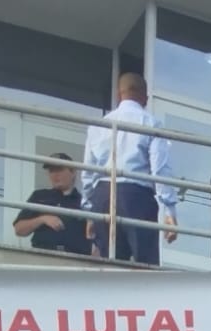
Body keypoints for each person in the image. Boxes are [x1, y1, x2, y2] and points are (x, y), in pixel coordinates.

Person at [82, 72, 178, 265]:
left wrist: (89, 212)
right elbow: (159, 170)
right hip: (136, 195)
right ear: (145, 98)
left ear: (119, 95)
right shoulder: (150, 123)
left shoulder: (99, 125)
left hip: (103, 193)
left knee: (111, 264)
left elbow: (88, 172)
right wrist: (169, 211)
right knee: (145, 264)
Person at [12, 153, 91, 256]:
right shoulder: (39, 196)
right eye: (51, 171)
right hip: (43, 258)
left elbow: (95, 237)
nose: (55, 175)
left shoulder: (85, 202)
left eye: (59, 170)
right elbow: (19, 229)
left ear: (73, 172)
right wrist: (42, 219)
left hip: (76, 261)